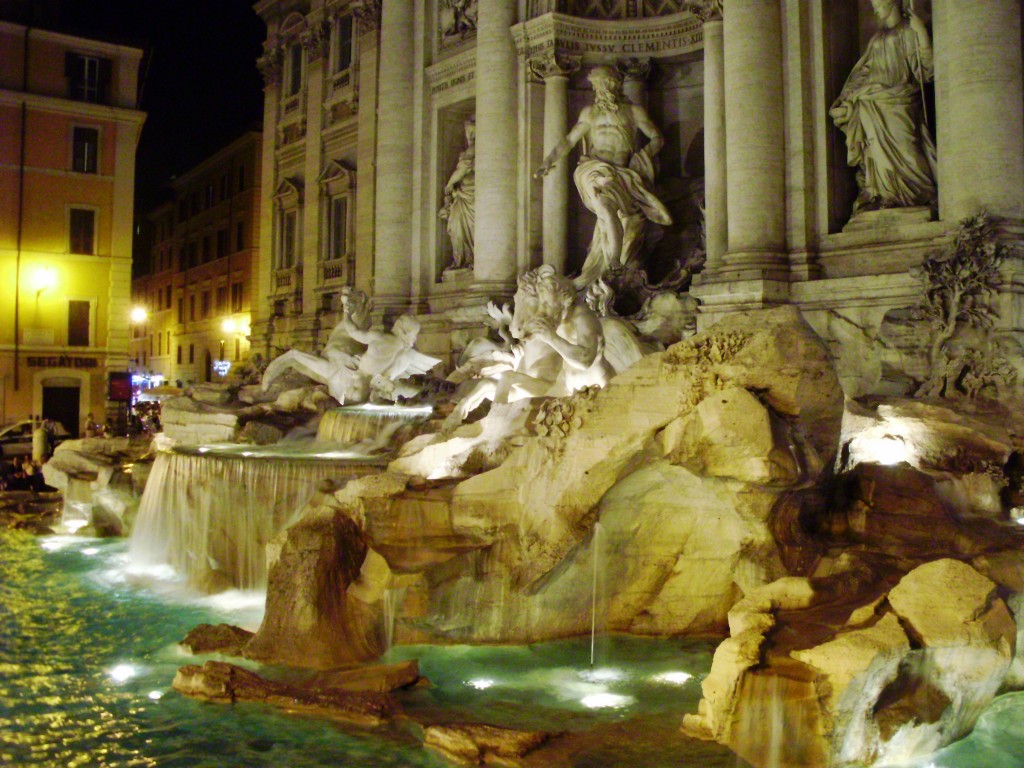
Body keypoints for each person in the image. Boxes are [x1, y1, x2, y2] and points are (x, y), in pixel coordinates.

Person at [535, 65, 672, 288]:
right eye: (596, 85)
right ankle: (615, 260)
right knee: (605, 206)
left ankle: (612, 262)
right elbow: (569, 141)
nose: (600, 89)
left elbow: (657, 138)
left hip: (620, 173)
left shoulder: (633, 111)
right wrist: (549, 160)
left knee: (612, 214)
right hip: (594, 170)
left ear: (614, 84)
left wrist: (645, 153)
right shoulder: (589, 113)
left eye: (603, 83)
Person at [829, 0, 936, 217]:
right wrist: (845, 97)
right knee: (875, 148)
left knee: (908, 150)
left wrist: (922, 33)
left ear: (892, 3)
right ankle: (885, 194)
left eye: (878, 3)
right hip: (871, 101)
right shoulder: (877, 38)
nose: (875, 8)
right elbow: (863, 71)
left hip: (901, 99)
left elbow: (926, 71)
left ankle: (918, 193)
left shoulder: (908, 30)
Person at [439, 117, 476, 270]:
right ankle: (461, 260)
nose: (470, 136)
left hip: (472, 196)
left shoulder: (474, 149)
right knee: (456, 227)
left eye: (472, 132)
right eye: (468, 133)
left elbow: (463, 169)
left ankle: (471, 259)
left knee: (471, 228)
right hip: (462, 197)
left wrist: (449, 184)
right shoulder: (470, 149)